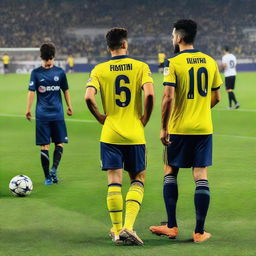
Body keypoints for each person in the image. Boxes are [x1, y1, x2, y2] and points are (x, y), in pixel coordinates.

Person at [149, 19, 222, 243]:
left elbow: (168, 97)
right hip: (203, 128)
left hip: (179, 128)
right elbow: (217, 97)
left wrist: (163, 127)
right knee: (201, 176)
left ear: (179, 38)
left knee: (170, 171)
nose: (172, 39)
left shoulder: (172, 62)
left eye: (173, 36)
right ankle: (199, 232)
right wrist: (198, 109)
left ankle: (171, 226)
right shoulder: (210, 62)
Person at [85, 27, 154, 245]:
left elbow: (88, 97)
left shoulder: (99, 69)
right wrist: (145, 117)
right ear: (125, 44)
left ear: (108, 47)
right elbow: (150, 94)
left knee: (114, 182)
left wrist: (99, 116)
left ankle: (116, 231)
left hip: (110, 134)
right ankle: (128, 227)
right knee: (138, 178)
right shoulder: (140, 67)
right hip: (134, 133)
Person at [25, 41, 73, 185]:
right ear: (41, 58)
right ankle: (47, 177)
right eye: (46, 60)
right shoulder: (35, 73)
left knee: (60, 143)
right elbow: (31, 92)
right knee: (44, 146)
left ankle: (53, 170)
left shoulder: (60, 72)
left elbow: (65, 90)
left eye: (50, 59)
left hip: (58, 115)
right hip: (43, 116)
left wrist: (69, 106)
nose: (48, 62)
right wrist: (28, 109)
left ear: (53, 57)